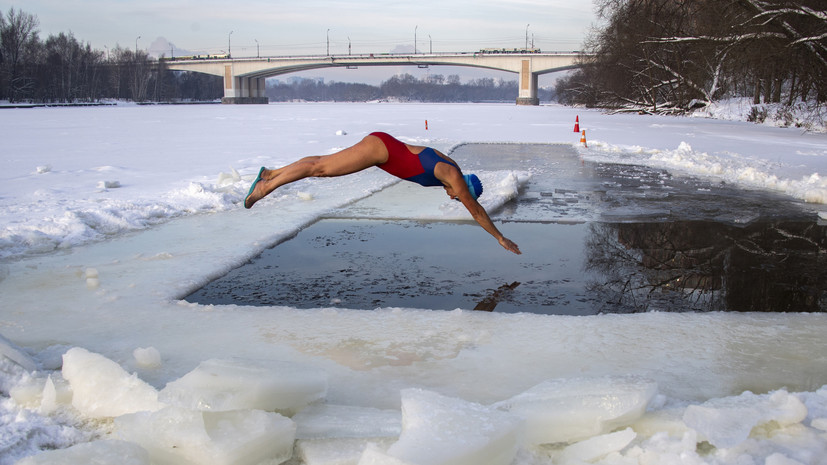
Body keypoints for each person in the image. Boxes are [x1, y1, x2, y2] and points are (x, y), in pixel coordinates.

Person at [244, 131, 521, 254]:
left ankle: (271, 173)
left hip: (383, 147)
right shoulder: (451, 175)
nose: (454, 199)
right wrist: (500, 237)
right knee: (320, 169)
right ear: (464, 189)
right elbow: (475, 210)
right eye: (458, 196)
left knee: (320, 163)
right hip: (380, 151)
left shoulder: (451, 169)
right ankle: (266, 186)